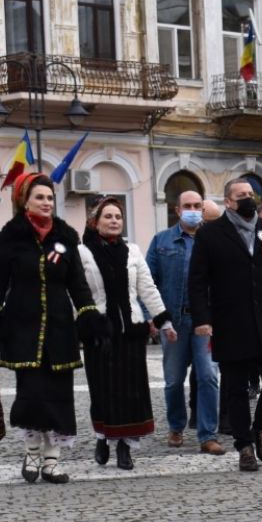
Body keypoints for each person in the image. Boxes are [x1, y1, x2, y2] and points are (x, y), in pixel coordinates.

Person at [0, 173, 108, 483]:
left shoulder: (66, 236)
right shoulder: (11, 236)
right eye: (40, 197)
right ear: (25, 201)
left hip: (60, 328)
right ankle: (32, 452)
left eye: (50, 197)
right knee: (32, 394)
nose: (46, 202)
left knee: (59, 396)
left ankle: (52, 460)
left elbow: (78, 284)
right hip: (23, 327)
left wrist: (90, 318)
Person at [188, 178, 262, 472]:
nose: (248, 198)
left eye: (251, 193)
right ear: (228, 201)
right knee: (236, 387)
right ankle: (244, 445)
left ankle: (261, 427)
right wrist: (202, 318)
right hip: (231, 320)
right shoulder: (210, 234)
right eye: (241, 195)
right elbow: (198, 280)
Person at [78, 197, 173, 470]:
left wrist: (164, 321)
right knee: (102, 390)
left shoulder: (132, 251)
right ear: (95, 222)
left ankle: (125, 447)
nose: (114, 221)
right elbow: (77, 293)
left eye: (118, 216)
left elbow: (147, 288)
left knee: (131, 392)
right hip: (100, 333)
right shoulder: (82, 253)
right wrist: (79, 325)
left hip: (131, 330)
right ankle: (102, 437)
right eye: (108, 216)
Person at [146, 190, 225, 456]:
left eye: (197, 206)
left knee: (208, 376)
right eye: (187, 206)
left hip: (205, 322)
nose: (192, 210)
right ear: (178, 210)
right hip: (174, 321)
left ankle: (208, 434)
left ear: (203, 209)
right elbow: (148, 282)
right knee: (173, 380)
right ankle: (176, 426)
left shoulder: (214, 240)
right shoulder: (161, 240)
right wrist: (153, 316)